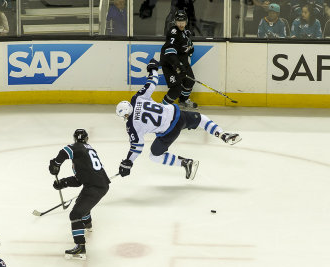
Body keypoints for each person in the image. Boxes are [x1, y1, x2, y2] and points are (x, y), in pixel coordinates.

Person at [116, 58, 241, 180]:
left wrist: (128, 161)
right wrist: (153, 69)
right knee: (200, 119)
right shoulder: (137, 98)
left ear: (125, 115)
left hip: (169, 132)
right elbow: (152, 82)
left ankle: (186, 163)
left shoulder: (132, 126)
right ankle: (222, 134)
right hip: (177, 115)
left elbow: (137, 147)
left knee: (154, 155)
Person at [49, 129, 111, 260]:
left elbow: (65, 151)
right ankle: (87, 224)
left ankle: (80, 247)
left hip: (95, 187)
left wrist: (56, 163)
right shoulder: (88, 151)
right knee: (81, 203)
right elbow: (79, 181)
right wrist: (63, 182)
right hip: (96, 185)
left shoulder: (77, 147)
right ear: (87, 138)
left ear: (74, 139)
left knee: (75, 214)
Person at [160, 10, 198, 111]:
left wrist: (190, 49)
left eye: (183, 22)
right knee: (176, 89)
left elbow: (189, 45)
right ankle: (162, 108)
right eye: (178, 22)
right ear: (175, 22)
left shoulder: (187, 32)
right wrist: (178, 66)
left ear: (186, 21)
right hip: (170, 64)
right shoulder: (173, 32)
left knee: (189, 82)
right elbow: (170, 52)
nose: (181, 24)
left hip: (182, 63)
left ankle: (183, 101)